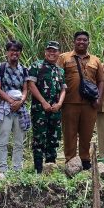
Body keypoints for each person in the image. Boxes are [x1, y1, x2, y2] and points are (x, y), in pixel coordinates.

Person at [57, 31, 104, 169]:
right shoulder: (64, 58)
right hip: (69, 102)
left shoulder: (95, 60)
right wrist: (59, 100)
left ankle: (85, 160)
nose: (81, 42)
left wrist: (99, 99)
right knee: (69, 133)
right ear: (74, 41)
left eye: (84, 40)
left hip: (90, 104)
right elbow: (58, 79)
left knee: (87, 133)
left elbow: (101, 81)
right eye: (79, 39)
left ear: (88, 42)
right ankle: (71, 161)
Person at [27, 41, 67, 174]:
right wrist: (43, 102)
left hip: (55, 111)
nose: (52, 53)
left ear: (58, 53)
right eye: (49, 50)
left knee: (53, 138)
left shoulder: (60, 70)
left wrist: (60, 104)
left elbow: (63, 90)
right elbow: (31, 85)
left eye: (54, 51)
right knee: (39, 139)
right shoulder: (37, 66)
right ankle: (38, 170)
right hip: (40, 110)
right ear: (45, 52)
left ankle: (51, 167)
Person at [0, 40, 30, 176]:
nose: (14, 53)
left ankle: (17, 169)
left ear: (20, 53)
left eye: (17, 50)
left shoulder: (24, 69)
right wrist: (10, 101)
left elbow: (26, 89)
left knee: (19, 141)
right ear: (7, 52)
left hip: (20, 108)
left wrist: (20, 102)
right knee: (3, 139)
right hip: (5, 108)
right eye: (12, 50)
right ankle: (2, 168)